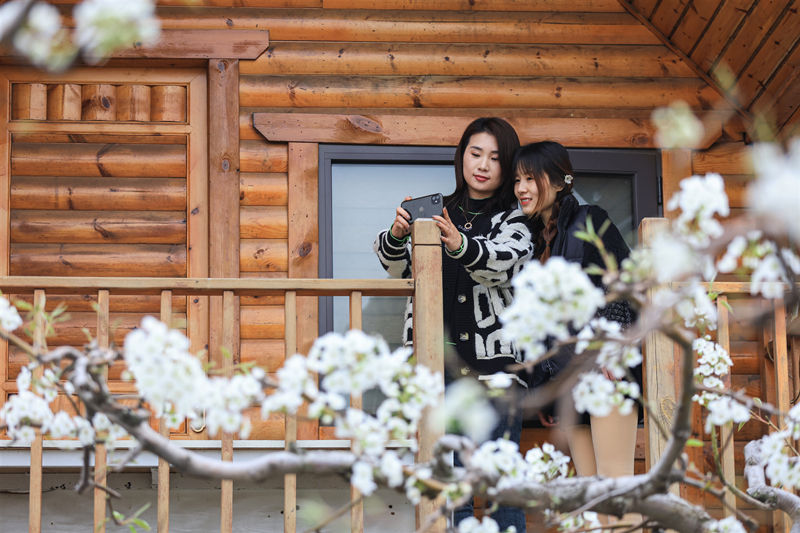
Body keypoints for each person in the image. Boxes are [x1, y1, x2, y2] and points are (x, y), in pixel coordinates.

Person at [374, 117, 532, 532]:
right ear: (461, 156)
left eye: (496, 158)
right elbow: (394, 268)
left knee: (502, 493)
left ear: (508, 166)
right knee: (451, 496)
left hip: (494, 373)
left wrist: (460, 245)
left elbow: (500, 266)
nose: (482, 165)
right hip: (436, 372)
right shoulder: (433, 209)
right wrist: (397, 233)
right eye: (475, 153)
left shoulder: (514, 219)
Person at [512, 141, 640, 527]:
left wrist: (610, 352)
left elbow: (625, 287)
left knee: (615, 490)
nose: (521, 188)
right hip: (570, 385)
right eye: (517, 180)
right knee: (590, 498)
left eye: (530, 178)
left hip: (605, 375)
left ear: (559, 180)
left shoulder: (589, 219)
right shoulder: (536, 244)